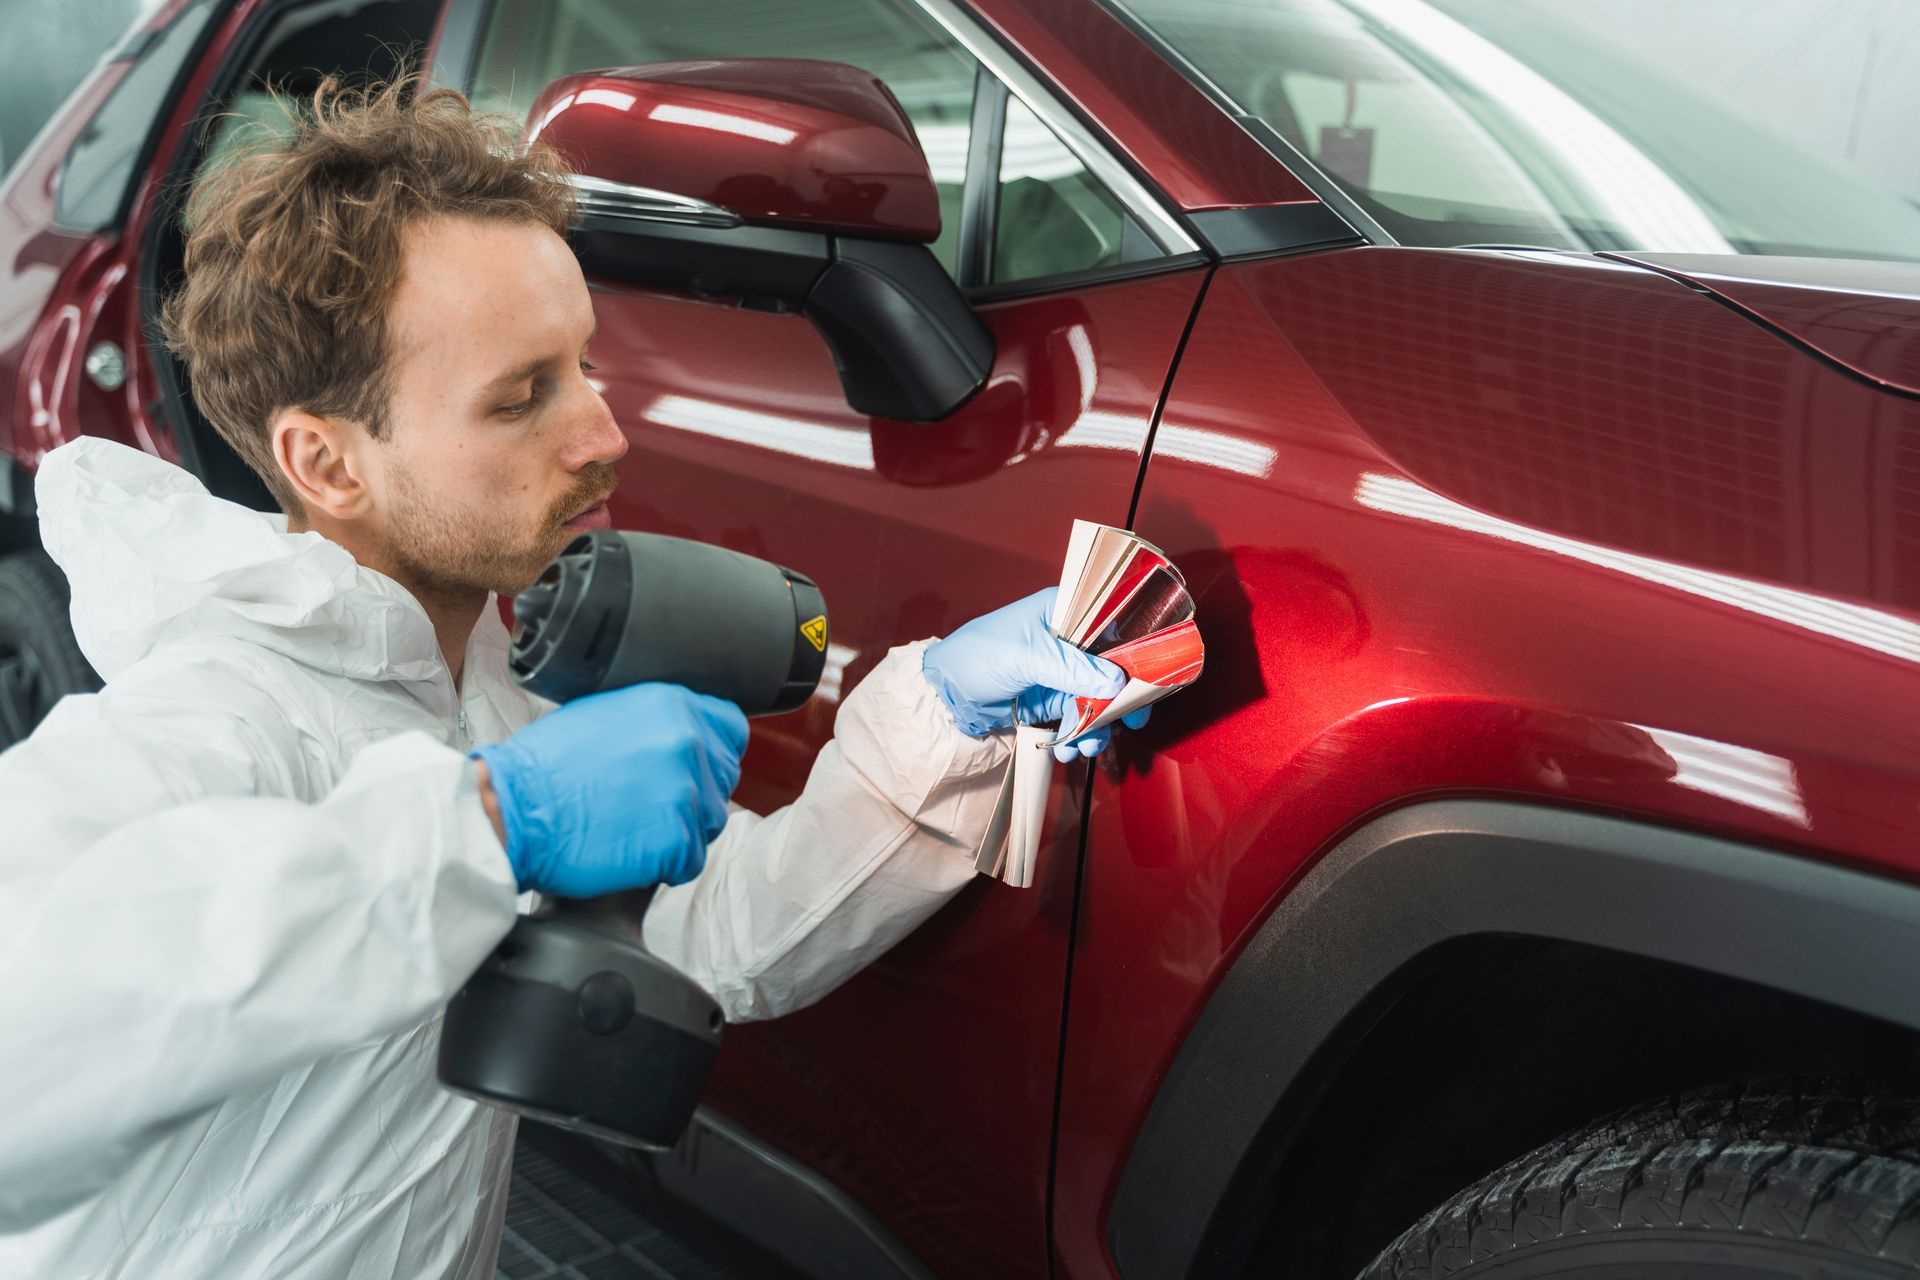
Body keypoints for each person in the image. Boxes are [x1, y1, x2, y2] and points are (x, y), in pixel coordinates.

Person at [0, 78, 1147, 1278]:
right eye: (521, 395)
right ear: (326, 462)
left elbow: (705, 937)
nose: (604, 432)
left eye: (583, 364)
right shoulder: (218, 724)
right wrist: (489, 825)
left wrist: (942, 718)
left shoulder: (477, 688)